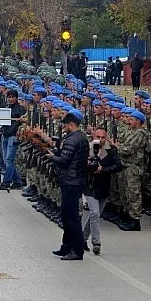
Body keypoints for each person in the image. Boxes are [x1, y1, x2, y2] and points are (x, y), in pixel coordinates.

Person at [48, 109, 89, 261]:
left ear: (71, 125)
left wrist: (52, 157)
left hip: (71, 181)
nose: (63, 128)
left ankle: (77, 250)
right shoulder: (80, 137)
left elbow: (65, 161)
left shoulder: (73, 139)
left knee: (71, 217)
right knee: (66, 215)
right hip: (73, 180)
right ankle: (66, 247)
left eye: (65, 126)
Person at [83, 128, 122, 256]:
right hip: (90, 185)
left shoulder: (111, 150)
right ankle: (96, 242)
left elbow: (118, 166)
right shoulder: (86, 148)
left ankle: (82, 239)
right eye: (97, 137)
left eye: (102, 137)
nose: (99, 140)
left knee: (95, 215)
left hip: (104, 186)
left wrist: (103, 169)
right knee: (94, 212)